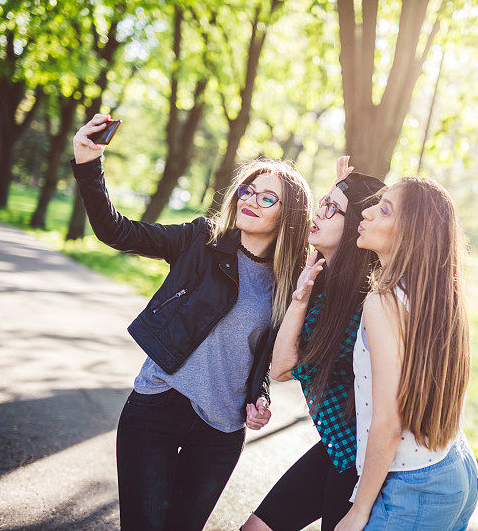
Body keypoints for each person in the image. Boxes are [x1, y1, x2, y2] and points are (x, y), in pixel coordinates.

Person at [70, 113, 313, 531]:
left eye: (267, 198)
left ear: (288, 215)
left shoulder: (290, 283)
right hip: (157, 407)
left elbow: (265, 353)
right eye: (247, 190)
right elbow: (117, 232)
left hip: (220, 431)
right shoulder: (200, 241)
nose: (250, 200)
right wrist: (89, 165)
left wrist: (261, 396)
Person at [241, 157, 386, 531]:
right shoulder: (321, 278)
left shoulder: (360, 303)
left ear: (354, 225)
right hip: (336, 448)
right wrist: (340, 194)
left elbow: (283, 368)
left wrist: (300, 300)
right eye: (322, 201)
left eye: (332, 208)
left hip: (360, 462)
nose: (318, 212)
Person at [336, 177, 478, 531]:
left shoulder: (383, 300)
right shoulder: (436, 296)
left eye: (383, 210)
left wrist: (359, 509)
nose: (367, 212)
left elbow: (388, 421)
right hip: (455, 468)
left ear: (411, 235)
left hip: (413, 488)